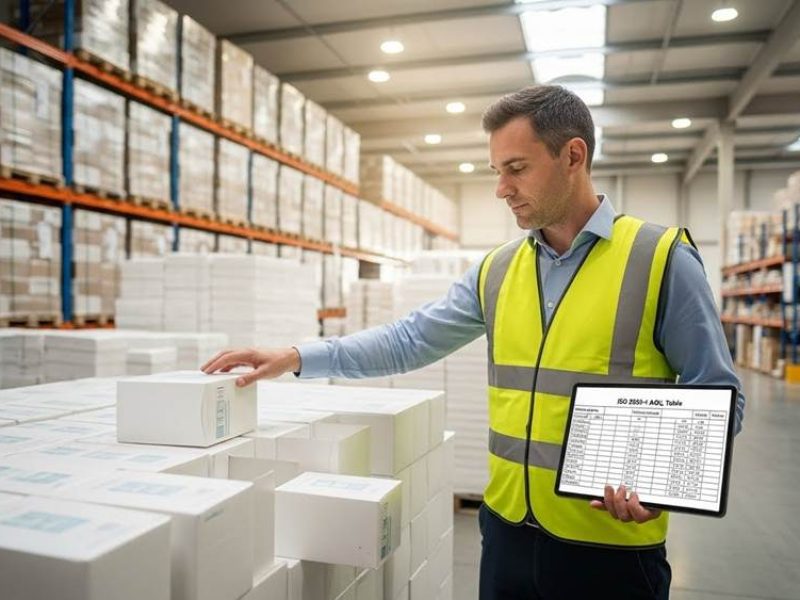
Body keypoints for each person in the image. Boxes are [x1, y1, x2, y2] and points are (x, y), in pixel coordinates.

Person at [202, 84, 745, 600]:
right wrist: (297, 357)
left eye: (516, 169)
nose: (501, 188)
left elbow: (719, 394)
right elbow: (408, 341)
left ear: (573, 156)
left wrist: (661, 489)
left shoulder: (659, 259)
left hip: (608, 549)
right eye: (496, 171)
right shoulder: (499, 269)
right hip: (506, 532)